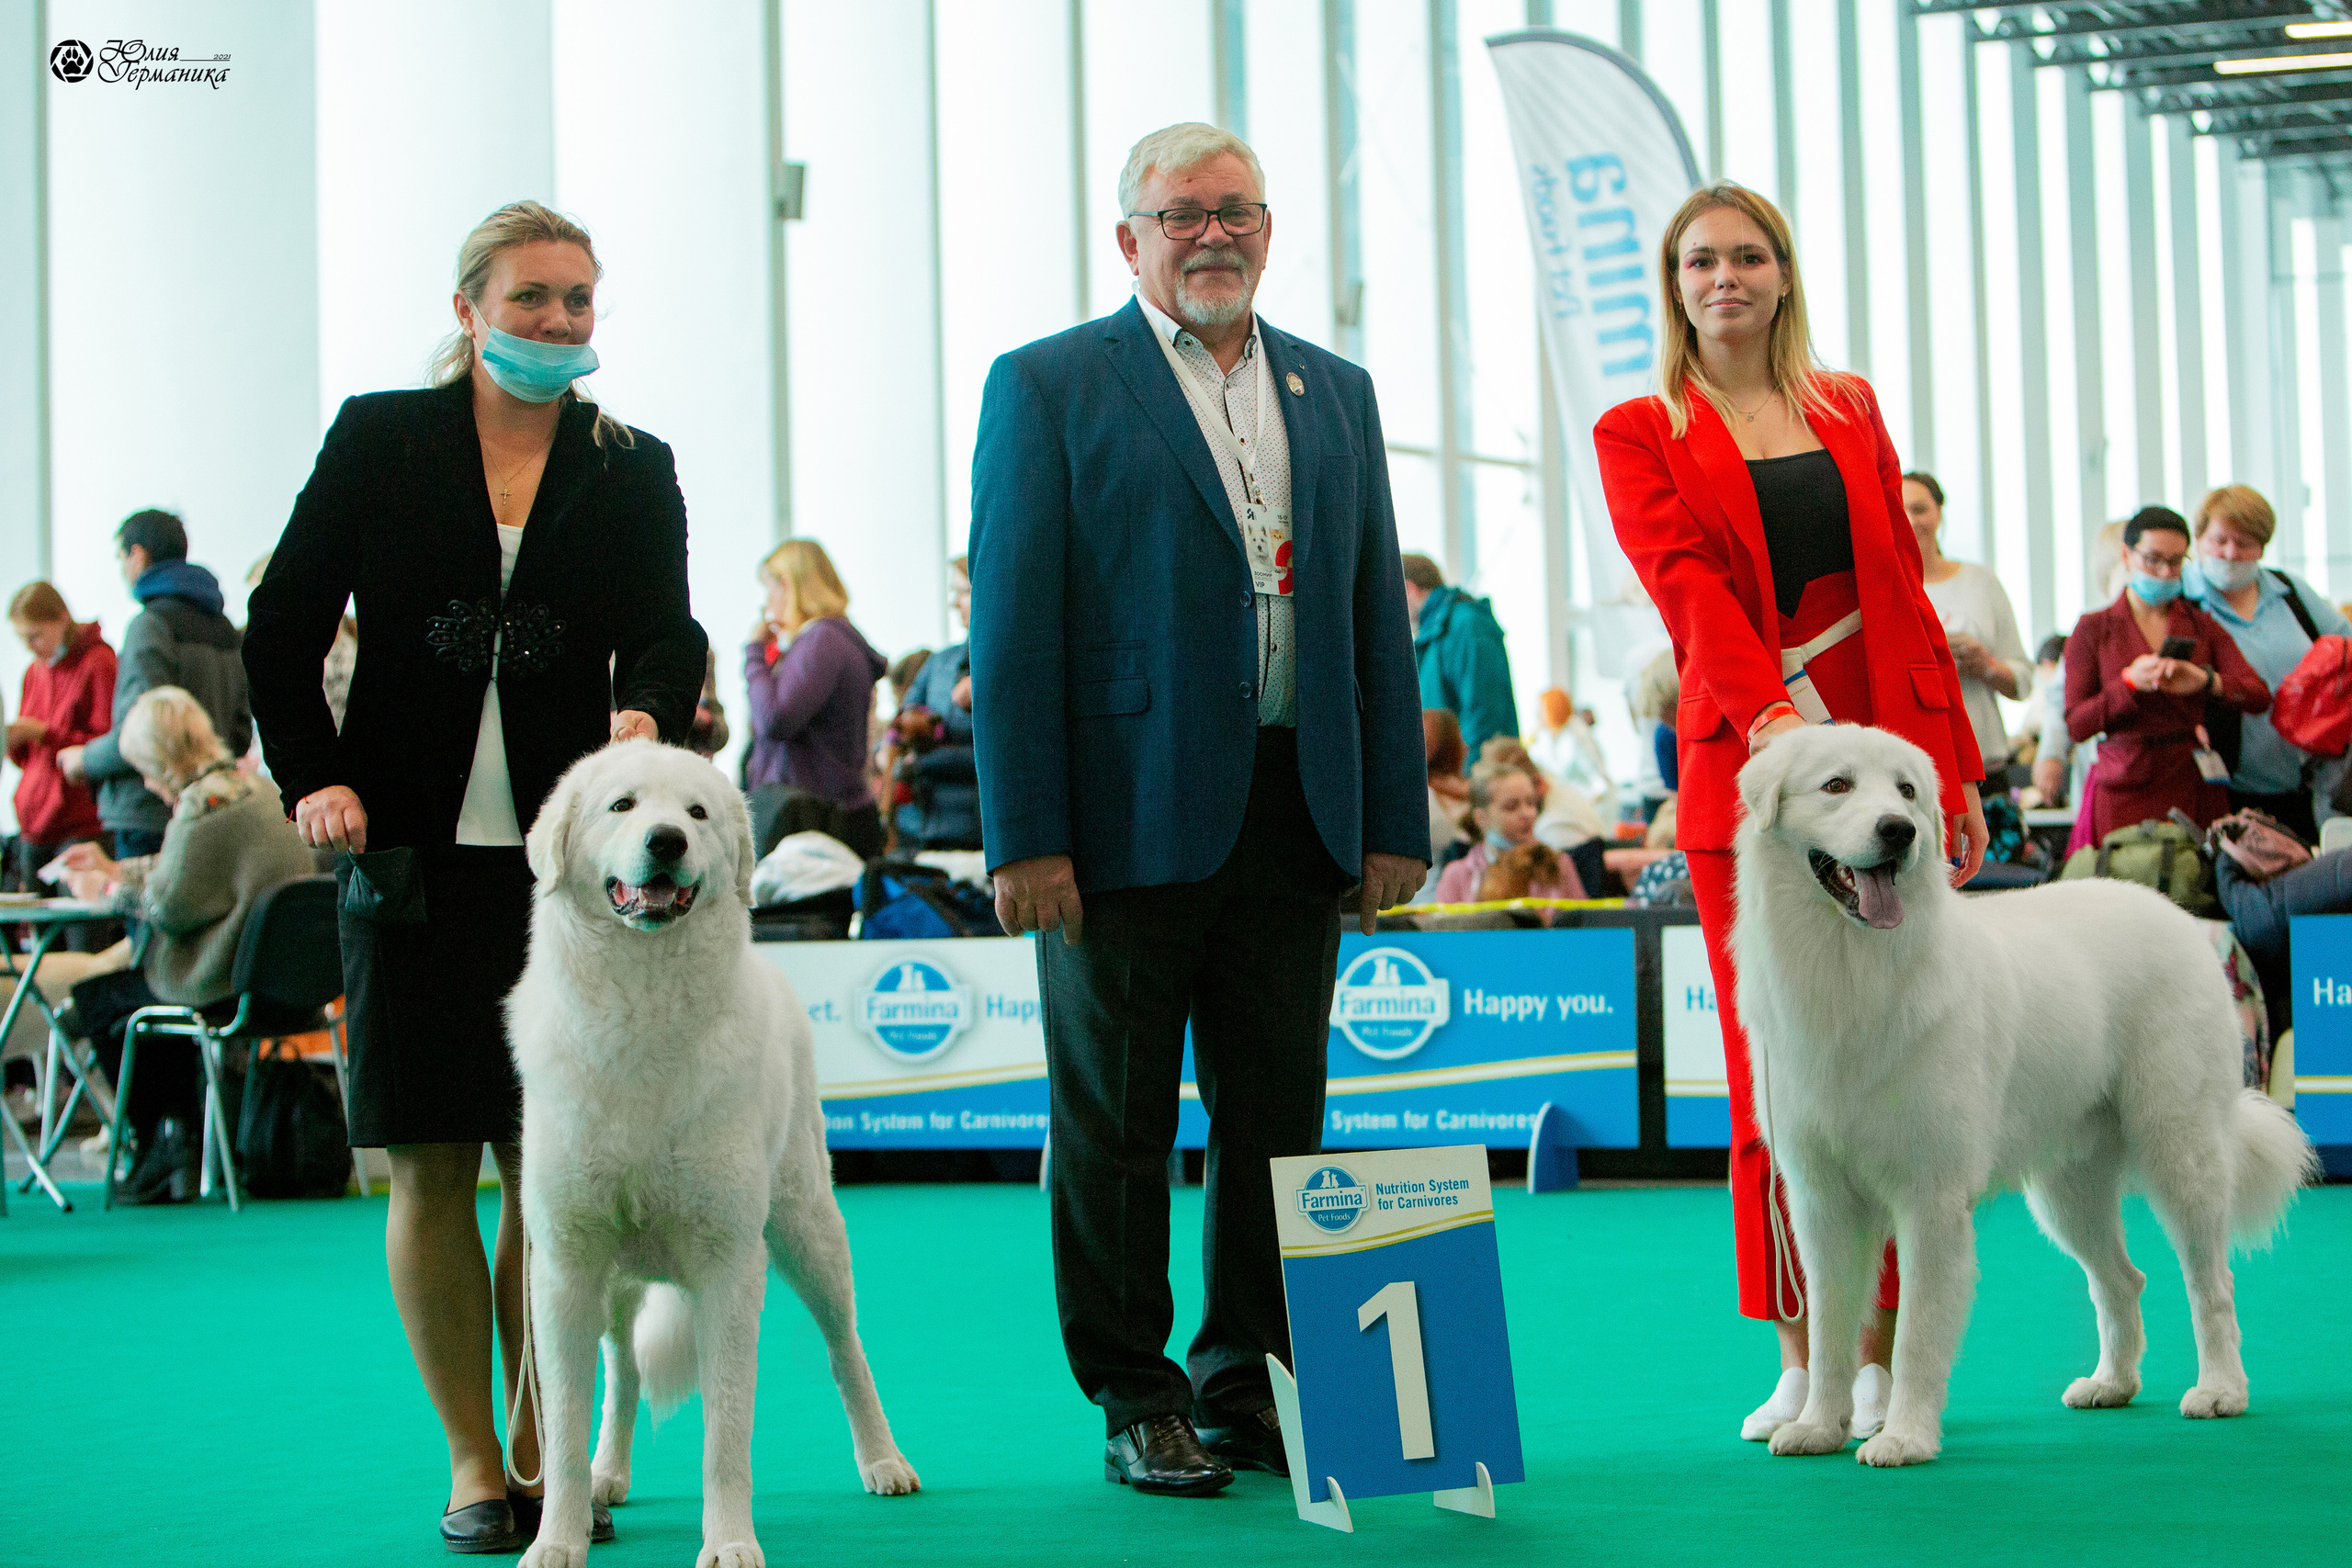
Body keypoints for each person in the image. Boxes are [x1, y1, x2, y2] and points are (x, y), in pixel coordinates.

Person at [242, 199, 707, 1555]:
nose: (560, 323)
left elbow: (665, 625)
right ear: (469, 309)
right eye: (533, 299)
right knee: (432, 1154)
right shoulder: (381, 437)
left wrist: (646, 710)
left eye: (578, 301)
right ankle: (468, 1456)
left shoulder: (633, 463)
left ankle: (538, 1443)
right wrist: (313, 774)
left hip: (572, 872)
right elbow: (283, 622)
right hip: (402, 855)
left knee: (548, 1162)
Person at [968, 121, 1427, 1495]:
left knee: (1279, 1115)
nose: (1211, 233)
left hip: (1302, 811)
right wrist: (1025, 832)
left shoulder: (1334, 389)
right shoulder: (1047, 384)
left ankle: (1248, 1377)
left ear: (1269, 229)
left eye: (1235, 210)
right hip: (1116, 825)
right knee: (1111, 1123)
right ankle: (1134, 1387)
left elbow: (1370, 620)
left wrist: (1393, 813)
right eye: (1181, 215)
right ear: (1130, 239)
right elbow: (1013, 624)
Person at [1593, 182, 1989, 1444]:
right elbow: (1688, 587)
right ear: (1672, 281)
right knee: (1785, 1088)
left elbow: (1903, 592)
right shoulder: (1638, 426)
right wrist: (1771, 717)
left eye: (1748, 255)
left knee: (1908, 1074)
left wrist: (1952, 765)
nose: (1726, 277)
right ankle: (1805, 1348)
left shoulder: (1849, 406)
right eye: (1700, 259)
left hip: (1891, 777)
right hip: (1757, 788)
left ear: (1783, 272)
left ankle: (1887, 1357)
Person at [52, 688, 313, 1202]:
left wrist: (102, 887)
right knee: (125, 996)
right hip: (288, 985)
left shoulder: (201, 810)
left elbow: (171, 906)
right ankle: (177, 1138)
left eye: (144, 769)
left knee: (99, 1001)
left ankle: (165, 1141)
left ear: (163, 763)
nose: (145, 782)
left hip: (220, 985)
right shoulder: (253, 789)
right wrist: (116, 869)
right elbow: (192, 876)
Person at [2064, 505, 2268, 847]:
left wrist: (2206, 681)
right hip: (2123, 783)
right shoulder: (2094, 628)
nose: (2164, 572)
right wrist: (2128, 684)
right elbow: (2077, 724)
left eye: (2176, 563)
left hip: (2190, 781)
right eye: (2153, 560)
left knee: (2191, 888)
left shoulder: (2201, 624)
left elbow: (2258, 695)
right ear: (2126, 556)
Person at [58, 510, 251, 861]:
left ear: (138, 555)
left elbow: (143, 734)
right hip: (213, 806)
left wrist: (83, 758)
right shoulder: (225, 630)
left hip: (148, 813)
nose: (121, 571)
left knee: (149, 912)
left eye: (121, 557)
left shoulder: (150, 626)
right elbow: (240, 735)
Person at [2183, 484, 2350, 842]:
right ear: (2198, 539)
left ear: (2262, 546)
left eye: (2245, 543)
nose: (2231, 553)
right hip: (2225, 787)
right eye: (2220, 540)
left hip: (2313, 782)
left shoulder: (2289, 591)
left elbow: (2345, 643)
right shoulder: (2183, 603)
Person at [743, 539, 888, 860]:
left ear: (790, 586)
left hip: (813, 820)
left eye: (771, 588)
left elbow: (776, 719)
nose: (768, 602)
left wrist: (754, 655)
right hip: (823, 814)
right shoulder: (830, 639)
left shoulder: (821, 640)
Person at [1905, 471, 2032, 774]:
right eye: (1900, 508)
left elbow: (2023, 681)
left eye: (1920, 509)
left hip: (1986, 762)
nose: (1911, 520)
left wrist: (1986, 665)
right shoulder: (1881, 589)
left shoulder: (1981, 582)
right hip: (1915, 768)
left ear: (1939, 512)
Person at [7, 583, 116, 926]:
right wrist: (14, 739)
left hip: (80, 818)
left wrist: (44, 734)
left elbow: (105, 744)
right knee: (39, 940)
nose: (29, 647)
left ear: (61, 618)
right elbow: (26, 759)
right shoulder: (33, 671)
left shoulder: (98, 661)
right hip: (35, 821)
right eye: (22, 638)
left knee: (81, 935)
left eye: (36, 635)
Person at [891, 556, 979, 852]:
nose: (955, 603)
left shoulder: (1003, 666)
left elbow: (998, 756)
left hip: (972, 832)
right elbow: (899, 723)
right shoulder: (938, 662)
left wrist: (921, 762)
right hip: (917, 829)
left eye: (963, 592)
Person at [1399, 552, 1518, 762]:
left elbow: (1485, 714)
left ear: (1409, 589)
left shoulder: (1467, 625)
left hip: (1473, 780)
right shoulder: (1435, 635)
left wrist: (1470, 782)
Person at [1429, 760, 1584, 905]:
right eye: (1511, 806)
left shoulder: (1559, 864)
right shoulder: (1457, 876)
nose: (1527, 814)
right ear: (1481, 817)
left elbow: (1582, 927)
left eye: (1531, 803)